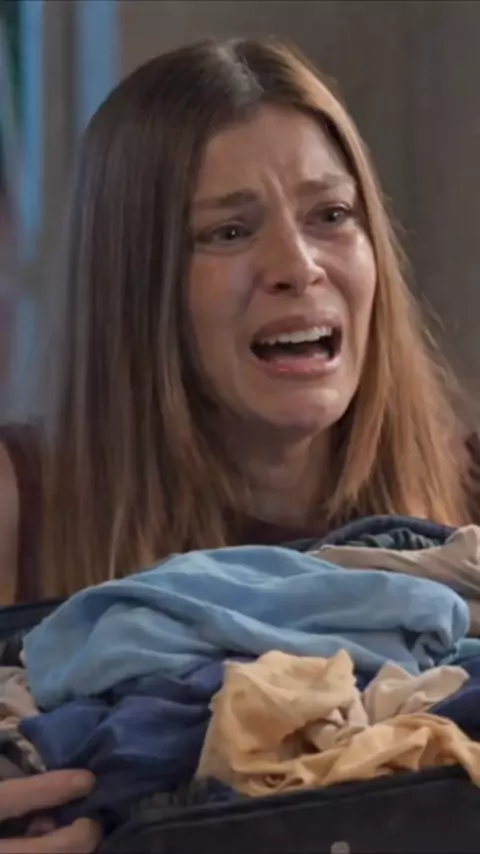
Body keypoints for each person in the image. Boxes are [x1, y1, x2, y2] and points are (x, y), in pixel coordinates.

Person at [0, 37, 478, 848]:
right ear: (135, 281)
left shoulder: (467, 492)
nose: (297, 265)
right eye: (226, 232)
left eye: (332, 216)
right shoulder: (19, 502)